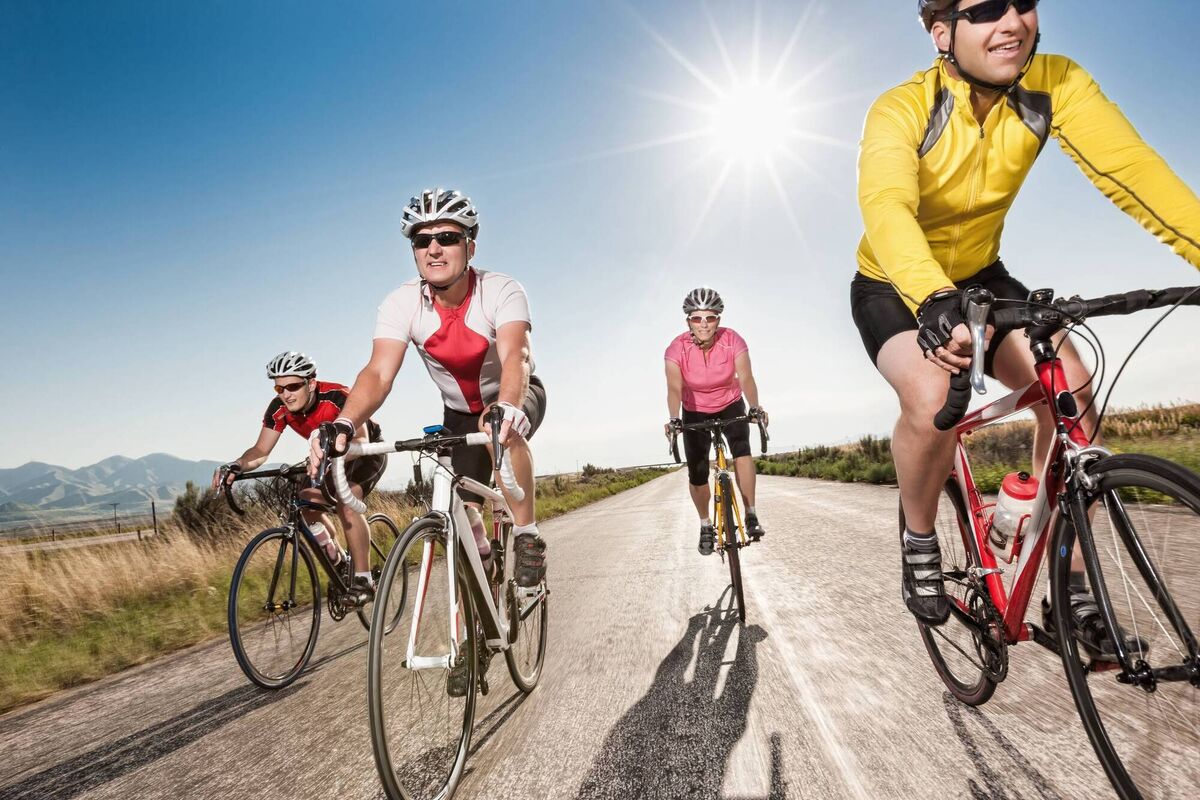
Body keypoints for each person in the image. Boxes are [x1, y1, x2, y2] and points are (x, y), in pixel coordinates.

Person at [852, 0, 1200, 654]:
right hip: (897, 286)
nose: (1012, 22)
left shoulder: (1055, 84)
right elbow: (887, 205)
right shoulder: (901, 108)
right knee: (933, 403)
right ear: (941, 33)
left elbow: (1137, 173)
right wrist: (932, 297)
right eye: (985, 9)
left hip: (984, 275)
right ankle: (920, 540)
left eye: (1024, 3)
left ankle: (1069, 588)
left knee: (1072, 391)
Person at [309, 188, 548, 589]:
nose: (434, 249)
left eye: (447, 238)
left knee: (498, 428)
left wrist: (507, 406)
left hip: (515, 394)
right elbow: (378, 373)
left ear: (470, 246)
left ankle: (527, 536)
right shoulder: (401, 303)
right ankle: (482, 573)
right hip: (457, 412)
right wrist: (346, 422)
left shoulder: (501, 289)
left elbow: (516, 357)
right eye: (422, 240)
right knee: (463, 510)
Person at [214, 351, 387, 600]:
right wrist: (237, 465)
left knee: (347, 505)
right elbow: (261, 450)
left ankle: (364, 581)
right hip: (327, 455)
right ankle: (339, 563)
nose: (286, 394)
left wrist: (329, 454)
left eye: (293, 386)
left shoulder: (338, 396)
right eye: (279, 388)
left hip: (363, 452)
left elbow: (360, 439)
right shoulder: (279, 409)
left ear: (311, 383)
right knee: (307, 504)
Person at [664, 287, 769, 555]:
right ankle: (705, 524)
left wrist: (755, 407)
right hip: (694, 409)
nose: (704, 324)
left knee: (742, 450)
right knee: (697, 472)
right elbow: (674, 388)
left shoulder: (733, 340)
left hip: (730, 403)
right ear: (688, 320)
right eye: (697, 318)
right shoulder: (676, 349)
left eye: (709, 318)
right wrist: (675, 418)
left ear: (718, 319)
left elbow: (745, 377)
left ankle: (751, 513)